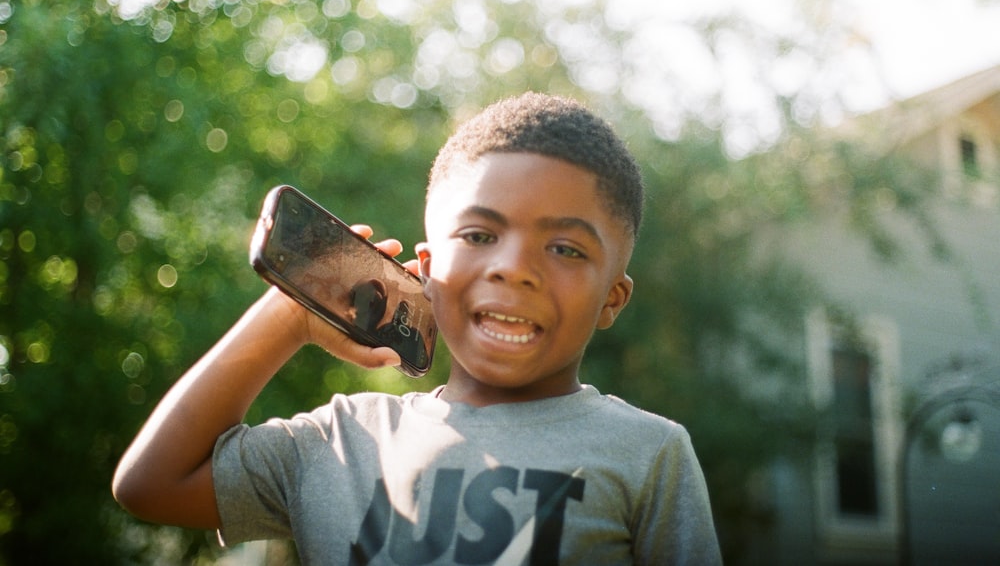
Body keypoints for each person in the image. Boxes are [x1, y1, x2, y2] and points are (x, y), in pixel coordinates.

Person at [112, 93, 723, 565]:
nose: (513, 267)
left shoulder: (650, 454)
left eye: (564, 248)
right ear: (425, 272)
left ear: (612, 299)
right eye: (480, 235)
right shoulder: (338, 443)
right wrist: (291, 315)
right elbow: (151, 484)